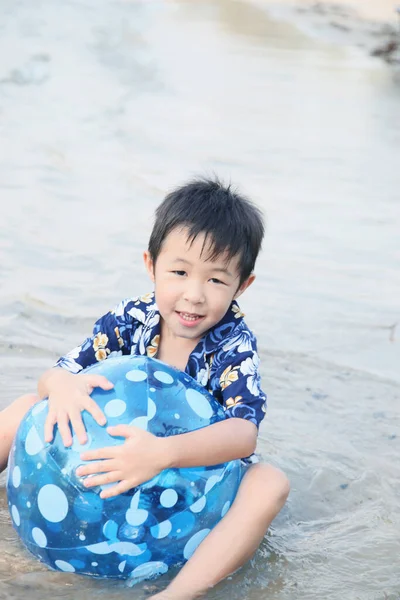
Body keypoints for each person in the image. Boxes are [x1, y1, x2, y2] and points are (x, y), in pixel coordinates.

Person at [0, 177, 290, 599]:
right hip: (110, 457)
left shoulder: (233, 344)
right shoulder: (131, 318)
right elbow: (57, 373)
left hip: (190, 476)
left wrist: (163, 453)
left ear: (242, 285)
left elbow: (245, 435)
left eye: (216, 281)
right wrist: (61, 385)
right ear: (151, 265)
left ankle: (175, 594)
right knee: (30, 403)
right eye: (179, 272)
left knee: (270, 483)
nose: (193, 296)